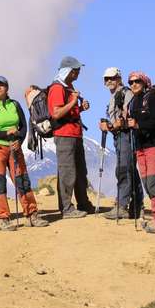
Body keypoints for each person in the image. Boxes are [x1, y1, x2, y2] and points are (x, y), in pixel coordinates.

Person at [0, 76, 50, 231]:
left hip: (15, 148)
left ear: (7, 88)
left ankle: (32, 214)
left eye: (2, 85)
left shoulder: (15, 104)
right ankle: (2, 218)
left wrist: (19, 138)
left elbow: (24, 126)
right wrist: (6, 133)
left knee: (22, 180)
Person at [47, 55, 96, 218]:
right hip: (64, 134)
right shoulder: (57, 88)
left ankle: (83, 203)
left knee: (81, 171)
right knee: (67, 171)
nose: (78, 73)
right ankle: (66, 208)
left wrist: (80, 108)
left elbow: (68, 111)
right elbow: (56, 113)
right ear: (68, 70)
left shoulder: (68, 86)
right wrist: (73, 102)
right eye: (76, 70)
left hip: (75, 133)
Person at [126, 71, 155, 234]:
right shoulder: (134, 101)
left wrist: (138, 125)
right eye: (131, 82)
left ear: (144, 82)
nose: (133, 84)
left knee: (154, 183)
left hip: (154, 145)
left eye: (137, 81)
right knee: (147, 184)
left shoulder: (151, 97)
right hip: (141, 147)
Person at [98, 67, 142, 220]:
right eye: (106, 79)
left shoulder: (125, 93)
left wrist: (110, 126)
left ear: (119, 78)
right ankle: (137, 207)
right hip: (120, 137)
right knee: (130, 170)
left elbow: (125, 119)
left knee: (123, 169)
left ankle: (122, 206)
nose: (109, 81)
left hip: (127, 136)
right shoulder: (115, 96)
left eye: (112, 78)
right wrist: (109, 126)